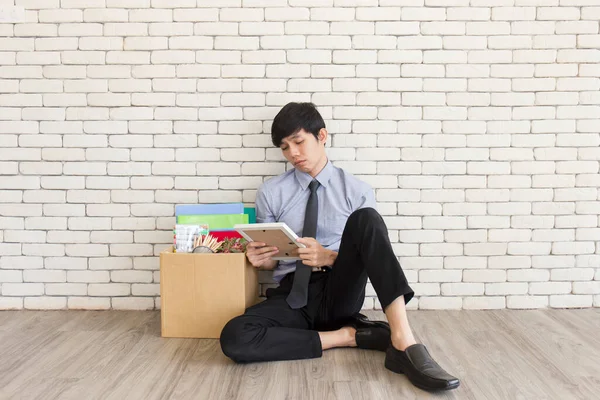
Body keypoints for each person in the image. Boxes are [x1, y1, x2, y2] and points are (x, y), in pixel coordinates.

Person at [220, 102, 460, 391]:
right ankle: (347, 336)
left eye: (298, 142)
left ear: (322, 135)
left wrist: (328, 256)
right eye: (284, 147)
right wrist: (262, 259)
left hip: (340, 288)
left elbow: (371, 254)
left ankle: (403, 339)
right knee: (234, 336)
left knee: (367, 219)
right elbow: (272, 261)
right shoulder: (272, 192)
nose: (292, 153)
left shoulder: (356, 190)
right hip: (292, 294)